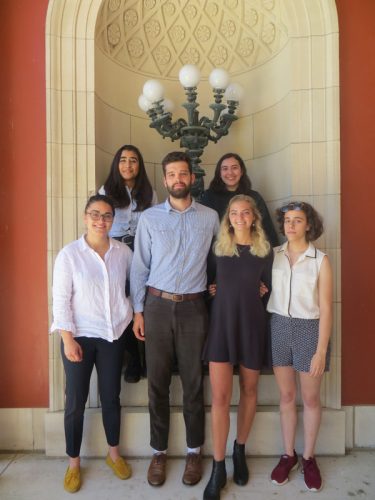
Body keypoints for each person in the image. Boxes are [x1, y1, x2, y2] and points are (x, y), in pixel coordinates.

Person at [130, 151, 219, 488]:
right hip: (156, 306)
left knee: (194, 384)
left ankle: (194, 452)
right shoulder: (150, 219)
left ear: (192, 178)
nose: (178, 179)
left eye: (183, 173)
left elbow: (221, 256)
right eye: (171, 174)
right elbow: (139, 266)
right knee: (157, 384)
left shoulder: (210, 217)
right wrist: (138, 310)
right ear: (164, 179)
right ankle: (158, 452)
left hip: (195, 309)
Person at [50, 194, 133, 493]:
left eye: (107, 215)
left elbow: (131, 288)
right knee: (75, 402)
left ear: (113, 220)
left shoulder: (124, 253)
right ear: (85, 217)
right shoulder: (70, 254)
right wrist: (67, 338)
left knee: (112, 397)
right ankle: (73, 462)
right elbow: (60, 300)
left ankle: (114, 453)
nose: (101, 220)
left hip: (112, 335)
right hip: (79, 336)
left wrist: (133, 315)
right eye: (95, 214)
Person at [202, 195, 273, 499]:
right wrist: (211, 290)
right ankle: (218, 467)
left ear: (254, 217)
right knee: (219, 397)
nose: (240, 217)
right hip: (221, 327)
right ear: (227, 217)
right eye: (234, 213)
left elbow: (271, 289)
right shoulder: (217, 249)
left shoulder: (265, 253)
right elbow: (206, 283)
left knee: (249, 390)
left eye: (245, 213)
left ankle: (239, 449)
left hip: (252, 326)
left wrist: (264, 289)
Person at [267, 201, 333, 492]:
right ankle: (288, 454)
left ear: (308, 224)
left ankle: (308, 458)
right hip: (279, 326)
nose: (291, 225)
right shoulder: (273, 256)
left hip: (310, 329)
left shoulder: (320, 260)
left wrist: (321, 349)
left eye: (297, 220)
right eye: (287, 220)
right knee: (286, 395)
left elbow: (328, 309)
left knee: (310, 399)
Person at [99, 144, 158, 383]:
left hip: (143, 252)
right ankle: (133, 359)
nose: (128, 165)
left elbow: (155, 224)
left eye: (133, 160)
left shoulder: (149, 192)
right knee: (123, 302)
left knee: (141, 301)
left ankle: (150, 357)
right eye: (123, 160)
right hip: (117, 251)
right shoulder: (107, 190)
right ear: (116, 163)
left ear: (139, 165)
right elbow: (101, 223)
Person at [200, 152, 279, 247]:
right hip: (219, 253)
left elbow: (267, 229)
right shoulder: (209, 197)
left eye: (234, 168)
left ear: (241, 172)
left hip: (251, 252)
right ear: (219, 173)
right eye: (225, 168)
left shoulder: (254, 197)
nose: (230, 173)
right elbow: (203, 231)